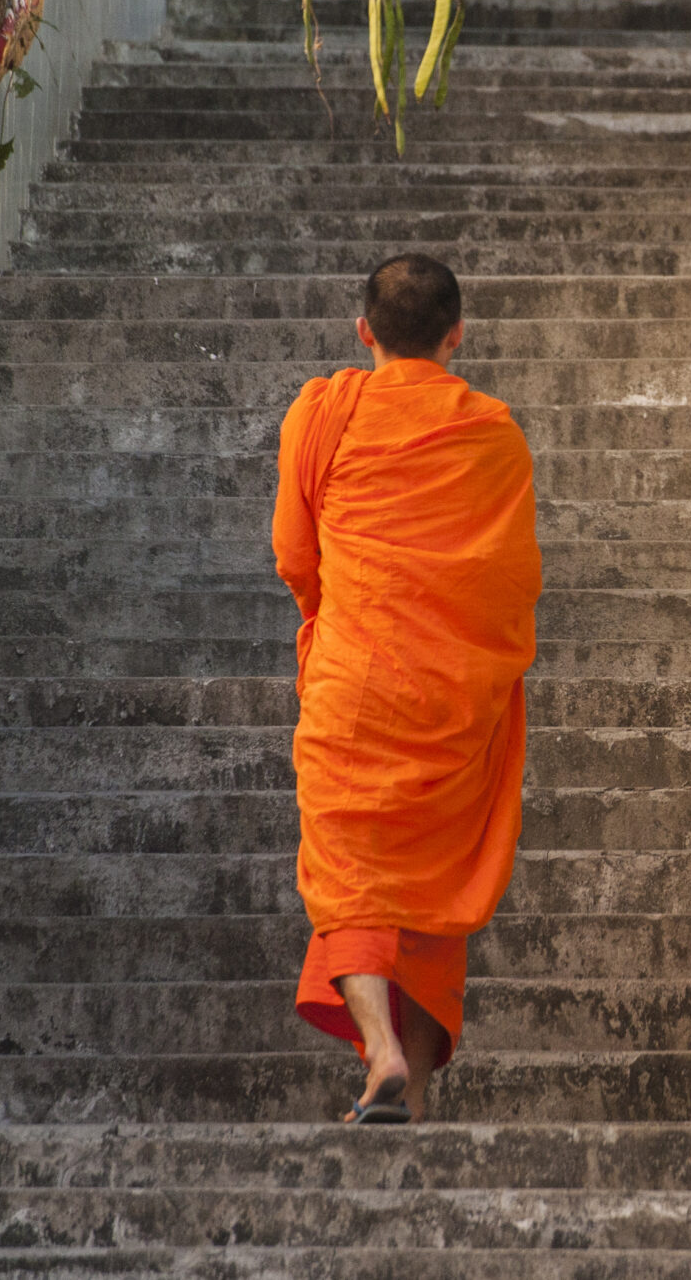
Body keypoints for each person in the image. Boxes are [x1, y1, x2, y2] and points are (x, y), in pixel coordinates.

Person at [272, 253, 542, 1123]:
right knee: (431, 893)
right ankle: (413, 1091)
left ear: (364, 332)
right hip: (456, 690)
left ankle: (382, 1052)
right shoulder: (493, 430)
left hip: (357, 681)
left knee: (349, 874)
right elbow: (512, 576)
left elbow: (293, 553)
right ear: (457, 334)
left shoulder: (327, 413)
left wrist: (346, 613)